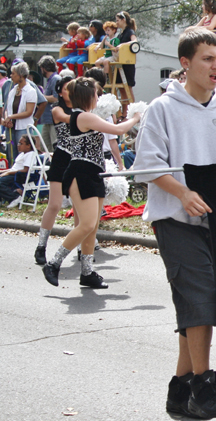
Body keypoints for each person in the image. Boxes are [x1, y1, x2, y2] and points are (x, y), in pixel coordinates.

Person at [133, 28, 216, 420]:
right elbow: (147, 165)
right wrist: (182, 192)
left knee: (198, 304)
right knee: (202, 299)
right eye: (208, 59)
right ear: (185, 63)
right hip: (174, 220)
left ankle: (180, 389)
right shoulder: (162, 109)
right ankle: (204, 389)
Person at [42, 77, 141, 289]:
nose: (98, 97)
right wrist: (135, 118)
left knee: (92, 226)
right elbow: (117, 130)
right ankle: (53, 263)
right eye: (96, 94)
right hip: (81, 173)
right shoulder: (83, 116)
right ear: (88, 96)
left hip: (94, 172)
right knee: (86, 224)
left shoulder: (87, 115)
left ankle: (87, 272)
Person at [34, 75, 73, 266]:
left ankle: (83, 249)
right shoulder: (57, 109)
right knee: (55, 205)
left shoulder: (83, 108)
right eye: (66, 89)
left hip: (79, 161)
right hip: (61, 158)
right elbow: (69, 119)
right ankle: (41, 246)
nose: (70, 92)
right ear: (60, 92)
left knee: (79, 208)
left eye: (73, 88)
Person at [2, 62, 38, 162]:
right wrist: (7, 119)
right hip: (11, 127)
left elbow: (28, 112)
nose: (11, 76)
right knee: (11, 153)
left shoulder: (30, 91)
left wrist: (11, 117)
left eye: (13, 73)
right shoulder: (13, 90)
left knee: (23, 154)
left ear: (20, 75)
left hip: (23, 127)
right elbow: (7, 108)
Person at [0, 134, 36, 206]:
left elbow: (26, 170)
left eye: (21, 143)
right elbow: (13, 169)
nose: (18, 145)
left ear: (28, 145)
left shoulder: (30, 154)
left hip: (21, 176)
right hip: (14, 173)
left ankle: (14, 197)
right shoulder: (22, 154)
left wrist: (8, 173)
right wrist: (3, 171)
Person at [115, 11, 138, 107]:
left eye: (118, 20)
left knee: (128, 88)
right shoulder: (120, 34)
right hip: (120, 63)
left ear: (123, 20)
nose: (116, 22)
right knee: (121, 88)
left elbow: (134, 41)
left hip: (128, 64)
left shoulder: (129, 32)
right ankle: (125, 112)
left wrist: (122, 45)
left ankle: (132, 110)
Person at [38, 55, 60, 153]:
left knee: (53, 148)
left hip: (53, 120)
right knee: (44, 147)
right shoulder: (51, 79)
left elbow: (56, 98)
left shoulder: (55, 79)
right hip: (47, 120)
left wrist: (41, 97)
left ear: (44, 68)